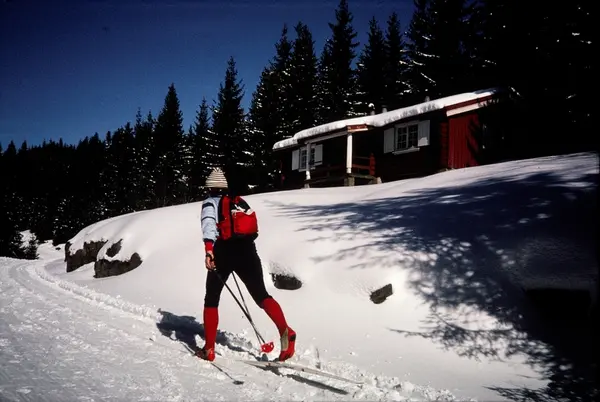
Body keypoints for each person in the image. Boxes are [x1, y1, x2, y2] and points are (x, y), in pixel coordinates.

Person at [196, 167, 296, 362]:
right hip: (248, 251)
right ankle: (286, 330)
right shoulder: (238, 201)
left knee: (212, 298)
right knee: (261, 295)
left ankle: (209, 349)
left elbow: (208, 225)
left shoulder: (210, 202)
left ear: (209, 188)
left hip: (223, 252)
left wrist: (209, 250)